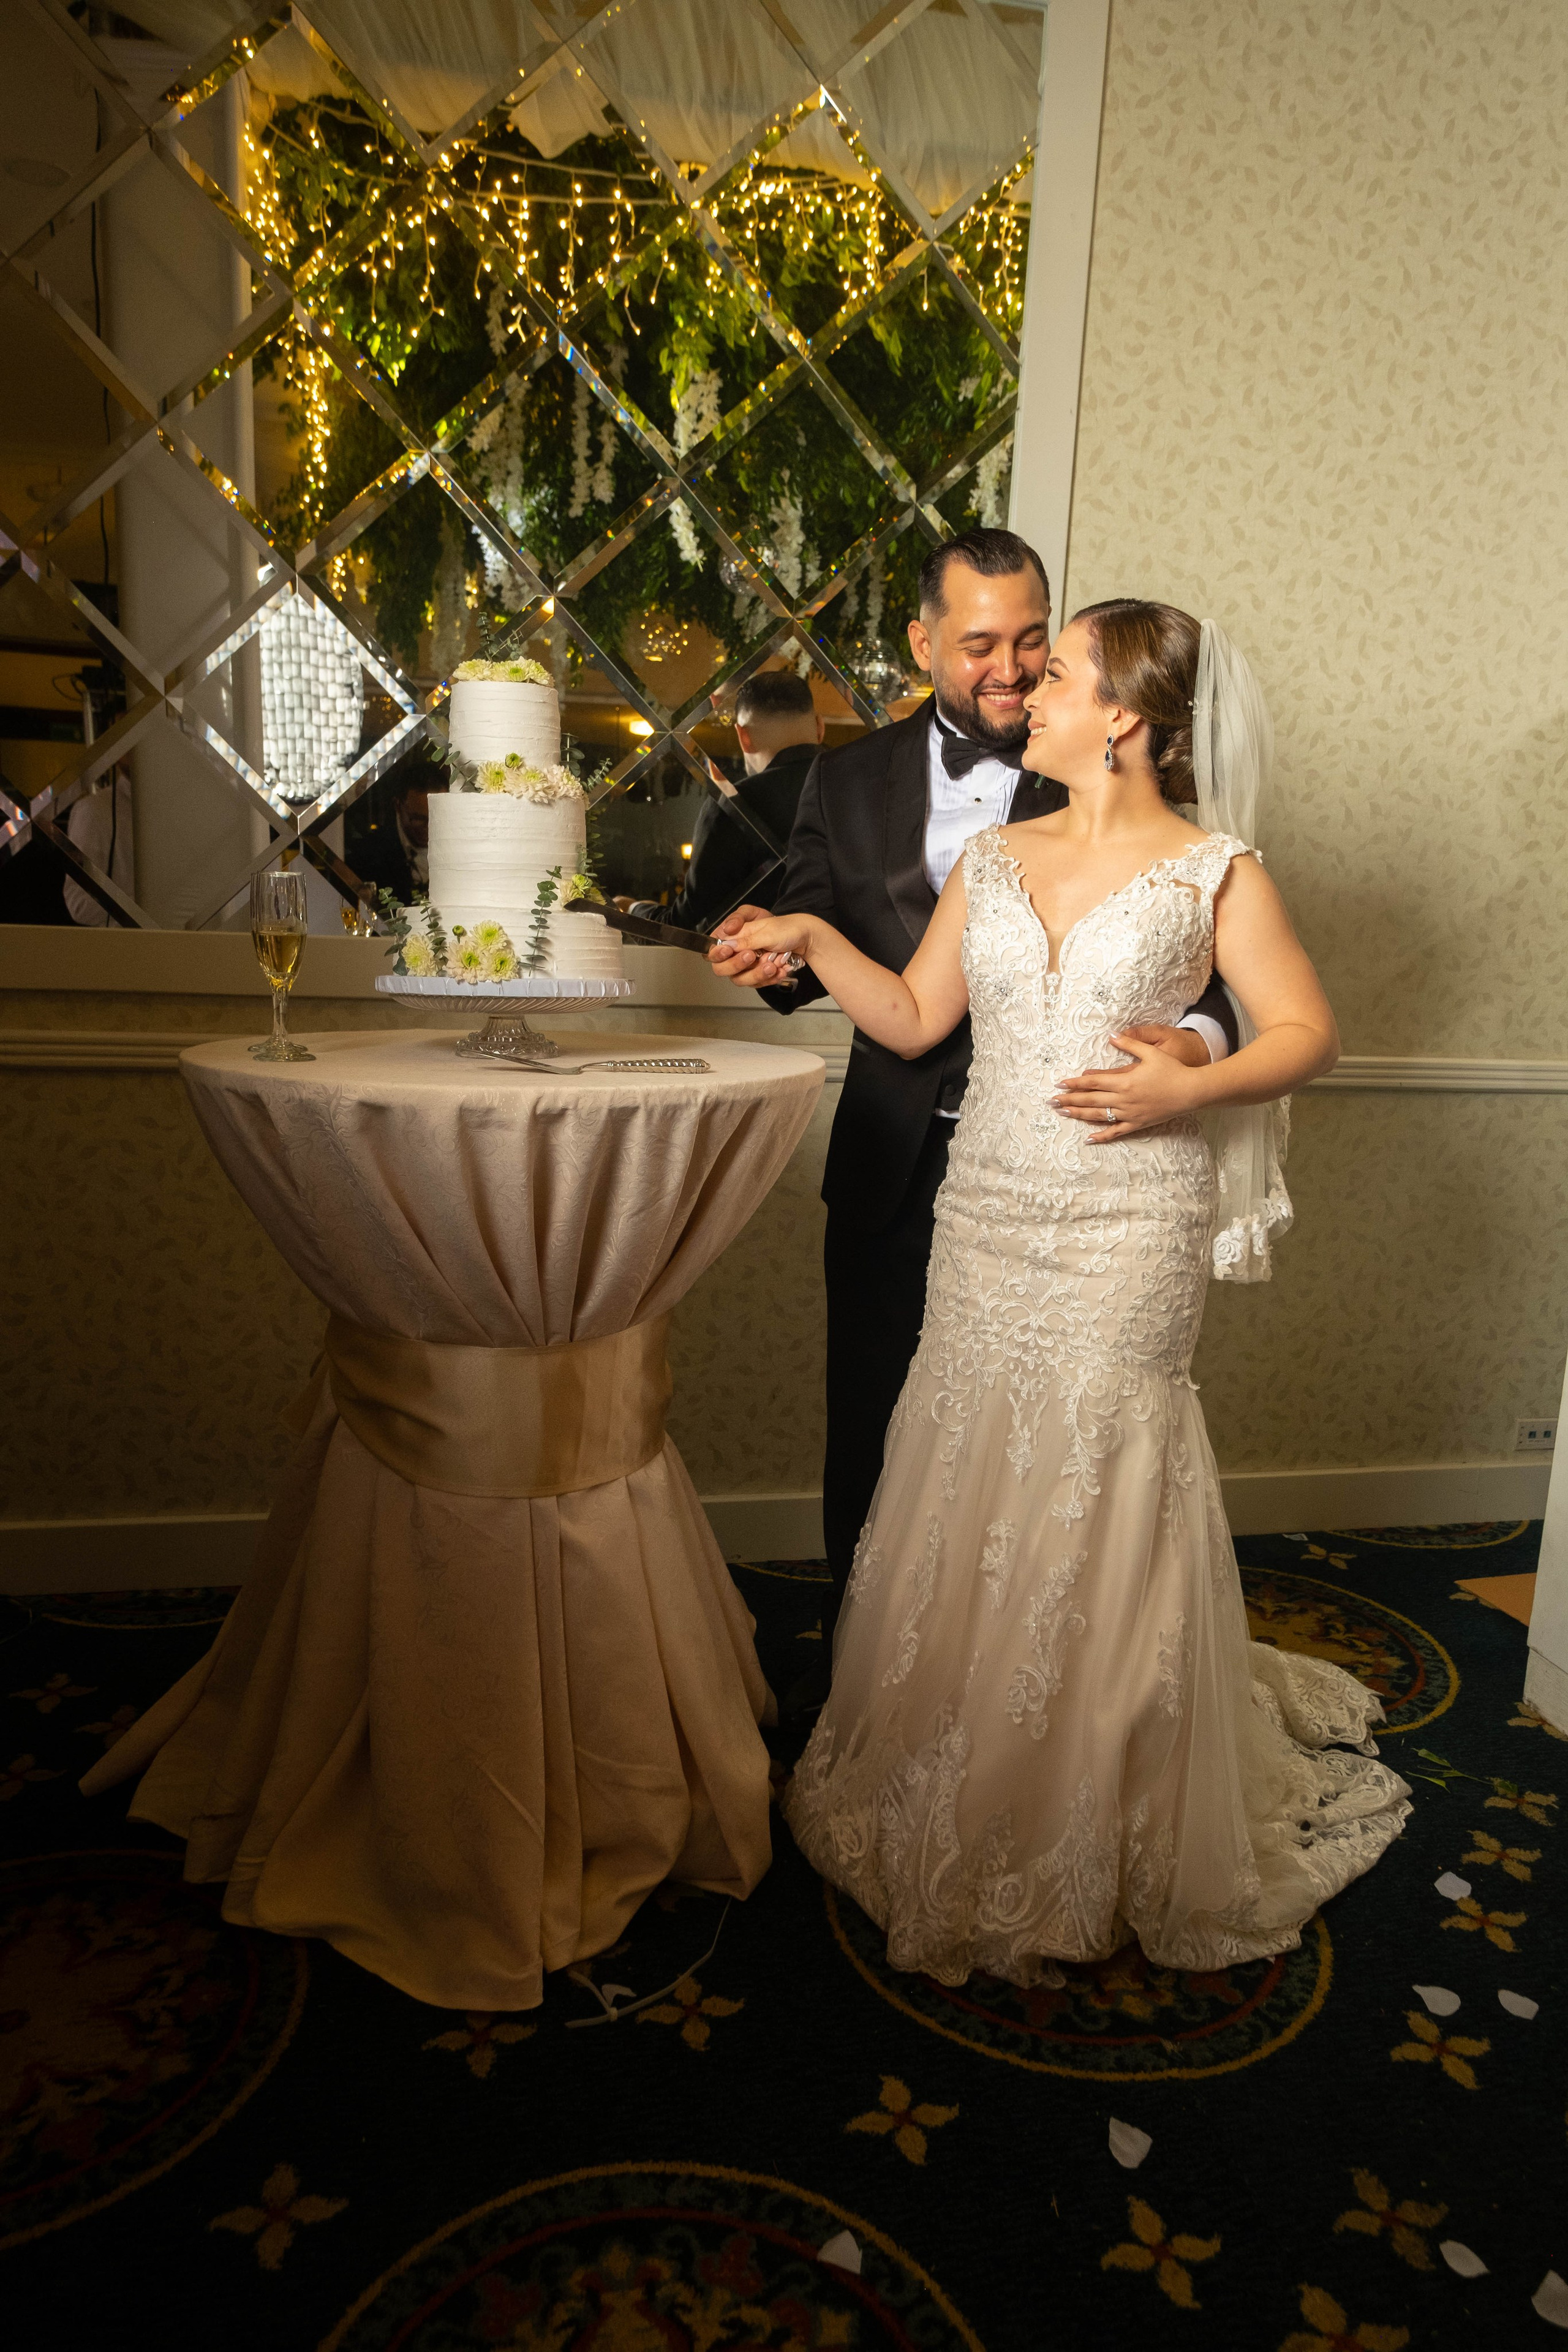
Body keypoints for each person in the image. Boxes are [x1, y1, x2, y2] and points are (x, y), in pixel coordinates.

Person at [728, 600, 1411, 1987]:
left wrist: (1191, 1085)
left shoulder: (1213, 872)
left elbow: (1306, 1033)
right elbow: (915, 1017)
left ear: (1126, 717)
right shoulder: (994, 854)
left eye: (1059, 672)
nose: (1028, 687)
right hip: (987, 1211)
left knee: (1097, 1467)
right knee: (968, 1452)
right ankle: (954, 1752)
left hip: (1125, 1223)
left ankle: (1092, 1791)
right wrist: (810, 935)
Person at [712, 530, 1235, 1710]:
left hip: (1096, 1172)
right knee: (889, 1439)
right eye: (982, 645)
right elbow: (841, 954)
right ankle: (874, 1689)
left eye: (1034, 642)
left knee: (1075, 1454)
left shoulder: (1106, 755)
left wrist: (1193, 1054)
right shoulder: (844, 781)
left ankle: (1060, 1708)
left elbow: (1209, 965)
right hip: (907, 1165)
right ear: (924, 643)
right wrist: (778, 952)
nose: (1013, 671)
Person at [622, 670, 824, 929]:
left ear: (744, 737)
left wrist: (632, 908)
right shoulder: (861, 788)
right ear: (820, 727)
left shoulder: (733, 806)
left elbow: (686, 925)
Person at [344, 745, 446, 905]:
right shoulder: (369, 856)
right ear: (398, 806)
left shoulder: (461, 847)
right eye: (418, 819)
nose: (430, 826)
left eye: (438, 818)